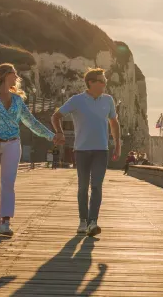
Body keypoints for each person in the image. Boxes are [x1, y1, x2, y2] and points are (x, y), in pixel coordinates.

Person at [0, 63, 63, 236]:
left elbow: (31, 121)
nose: (17, 78)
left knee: (8, 183)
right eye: (14, 74)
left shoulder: (17, 100)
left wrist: (50, 136)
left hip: (13, 144)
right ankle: (1, 218)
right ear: (4, 75)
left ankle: (5, 221)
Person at [52, 68, 120, 237]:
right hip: (81, 150)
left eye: (105, 80)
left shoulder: (108, 100)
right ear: (91, 82)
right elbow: (56, 116)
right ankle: (83, 221)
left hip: (101, 150)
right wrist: (59, 132)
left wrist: (117, 145)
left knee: (96, 186)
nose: (105, 83)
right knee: (83, 187)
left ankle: (93, 222)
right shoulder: (77, 100)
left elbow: (114, 122)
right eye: (101, 80)